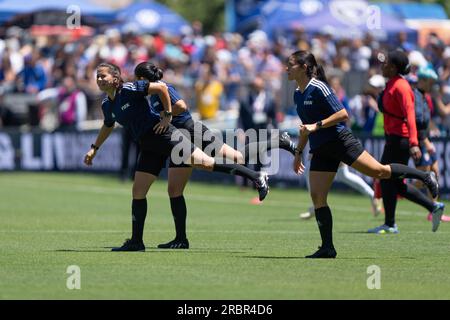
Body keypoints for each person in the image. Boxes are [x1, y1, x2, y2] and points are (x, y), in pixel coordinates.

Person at [84, 62, 269, 252]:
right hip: (148, 145)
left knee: (205, 163)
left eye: (103, 76)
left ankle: (255, 177)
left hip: (164, 134)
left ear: (115, 79)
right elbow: (108, 125)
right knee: (138, 191)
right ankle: (136, 242)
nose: (99, 79)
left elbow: (162, 87)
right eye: (97, 76)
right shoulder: (107, 104)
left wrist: (167, 116)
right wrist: (94, 148)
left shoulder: (131, 88)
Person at [287, 50, 440, 258]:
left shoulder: (319, 87)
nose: (286, 68)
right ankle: (328, 248)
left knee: (380, 171)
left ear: (304, 68)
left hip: (341, 142)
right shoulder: (298, 93)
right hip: (321, 148)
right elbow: (306, 128)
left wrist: (317, 125)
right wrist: (298, 152)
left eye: (290, 64)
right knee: (317, 196)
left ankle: (424, 176)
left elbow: (342, 114)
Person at [134, 61, 296, 249]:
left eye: (136, 79)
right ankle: (181, 239)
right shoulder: (153, 93)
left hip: (191, 132)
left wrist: (166, 116)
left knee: (238, 157)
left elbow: (181, 105)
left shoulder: (163, 88)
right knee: (174, 190)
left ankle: (279, 141)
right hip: (179, 140)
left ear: (142, 79)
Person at [368, 50, 445, 235]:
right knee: (395, 183)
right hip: (393, 138)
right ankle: (431, 207)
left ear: (394, 67)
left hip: (400, 139)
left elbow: (410, 115)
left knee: (386, 177)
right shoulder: (392, 84)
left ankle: (425, 178)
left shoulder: (401, 86)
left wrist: (413, 142)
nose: (382, 65)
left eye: (385, 63)